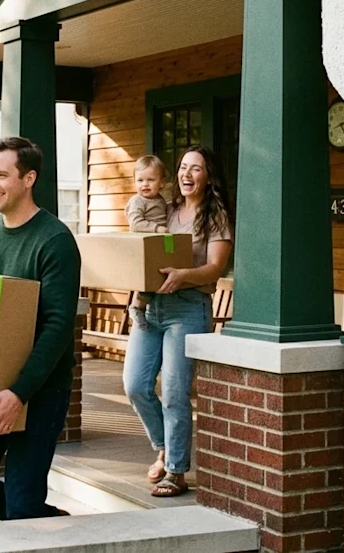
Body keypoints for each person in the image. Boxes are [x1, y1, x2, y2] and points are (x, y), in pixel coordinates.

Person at [0, 136, 82, 520]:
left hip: (40, 390)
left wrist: (19, 393)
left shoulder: (54, 241)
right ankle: (52, 530)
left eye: (2, 175)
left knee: (22, 503)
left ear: (28, 179)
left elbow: (58, 327)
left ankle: (38, 532)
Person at [123, 145, 234, 498]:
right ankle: (165, 447)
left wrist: (185, 274)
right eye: (183, 167)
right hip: (149, 307)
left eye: (196, 169)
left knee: (173, 393)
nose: (187, 174)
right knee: (135, 386)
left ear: (209, 176)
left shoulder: (215, 218)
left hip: (187, 308)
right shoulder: (165, 211)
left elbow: (216, 267)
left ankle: (176, 471)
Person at [125, 155, 171, 312]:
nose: (145, 184)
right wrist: (157, 229)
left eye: (150, 180)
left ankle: (149, 308)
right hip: (143, 244)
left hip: (158, 244)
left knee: (159, 275)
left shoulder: (160, 200)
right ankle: (137, 307)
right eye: (140, 180)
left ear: (162, 183)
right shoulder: (138, 201)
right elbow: (135, 223)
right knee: (147, 278)